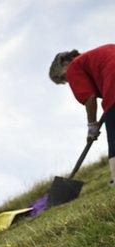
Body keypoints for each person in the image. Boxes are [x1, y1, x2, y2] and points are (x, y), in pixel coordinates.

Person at [50, 45, 115, 184]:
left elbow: (89, 98)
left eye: (64, 78)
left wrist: (92, 126)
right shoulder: (95, 56)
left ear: (65, 64)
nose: (68, 81)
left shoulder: (74, 66)